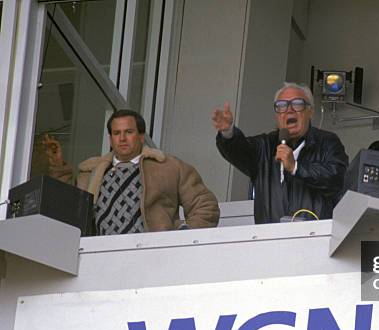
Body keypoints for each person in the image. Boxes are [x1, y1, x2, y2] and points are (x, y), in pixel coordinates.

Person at [46, 109, 220, 235]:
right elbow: (64, 210)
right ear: (110, 139)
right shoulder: (89, 173)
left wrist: (181, 236)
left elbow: (205, 206)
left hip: (152, 256)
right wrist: (58, 166)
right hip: (99, 257)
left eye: (128, 132)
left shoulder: (168, 167)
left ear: (141, 136)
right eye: (116, 133)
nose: (122, 138)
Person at [213, 83, 348, 224]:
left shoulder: (327, 142)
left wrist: (296, 167)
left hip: (315, 238)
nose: (289, 110)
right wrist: (228, 132)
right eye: (282, 105)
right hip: (270, 239)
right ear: (277, 115)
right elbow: (240, 150)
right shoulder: (265, 146)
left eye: (297, 104)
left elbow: (338, 178)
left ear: (310, 111)